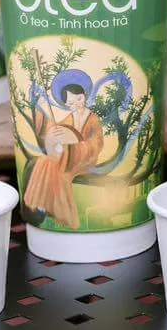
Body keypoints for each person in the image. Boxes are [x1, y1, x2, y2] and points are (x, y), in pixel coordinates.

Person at [23, 81, 105, 229]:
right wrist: (41, 110)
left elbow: (97, 143)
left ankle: (53, 209)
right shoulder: (70, 117)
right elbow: (53, 129)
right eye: (70, 103)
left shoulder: (93, 119)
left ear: (83, 97)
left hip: (84, 159)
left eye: (78, 100)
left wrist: (75, 147)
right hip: (66, 156)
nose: (75, 105)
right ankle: (41, 203)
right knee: (45, 161)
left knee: (60, 171)